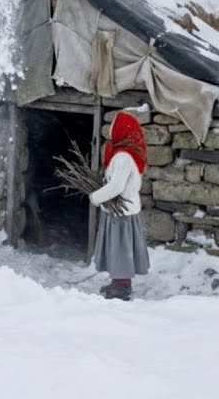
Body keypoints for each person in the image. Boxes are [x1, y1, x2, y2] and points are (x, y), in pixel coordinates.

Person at [89, 111, 151, 300]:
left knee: (121, 249)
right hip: (121, 209)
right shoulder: (122, 153)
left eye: (114, 127)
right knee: (119, 248)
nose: (110, 132)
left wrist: (95, 197)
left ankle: (121, 287)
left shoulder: (123, 157)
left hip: (122, 211)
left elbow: (117, 186)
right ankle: (119, 282)